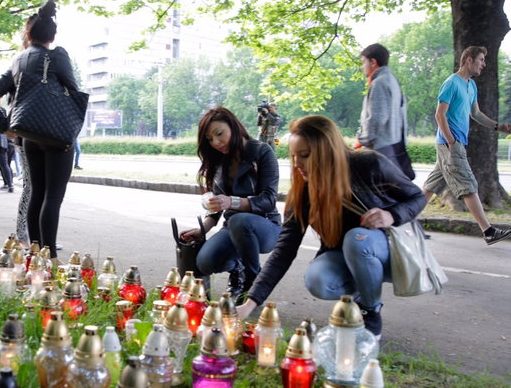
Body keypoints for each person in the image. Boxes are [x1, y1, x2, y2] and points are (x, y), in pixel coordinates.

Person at [237, 115, 426, 339]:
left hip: (388, 253)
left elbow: (417, 197)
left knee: (356, 238)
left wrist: (391, 215)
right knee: (318, 279)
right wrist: (249, 304)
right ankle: (359, 299)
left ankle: (370, 314)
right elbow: (283, 250)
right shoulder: (304, 191)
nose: (297, 164)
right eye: (294, 156)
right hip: (346, 255)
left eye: (305, 155)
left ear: (326, 150)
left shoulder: (368, 164)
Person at [0, 0, 78, 263]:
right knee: (53, 196)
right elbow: (74, 89)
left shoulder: (19, 59)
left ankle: (35, 255)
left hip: (28, 136)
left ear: (29, 34)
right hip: (56, 135)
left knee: (36, 191)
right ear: (53, 35)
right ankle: (50, 257)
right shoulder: (58, 55)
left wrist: (5, 127)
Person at [179, 106, 282, 300]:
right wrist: (203, 229)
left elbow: (268, 200)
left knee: (240, 220)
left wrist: (231, 202)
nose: (216, 143)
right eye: (210, 139)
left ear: (233, 126)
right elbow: (217, 207)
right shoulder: (219, 162)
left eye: (219, 134)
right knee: (205, 262)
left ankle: (252, 281)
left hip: (266, 227)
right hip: (234, 228)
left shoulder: (261, 151)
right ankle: (238, 269)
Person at [422, 45, 511, 245]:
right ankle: (488, 231)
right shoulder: (451, 83)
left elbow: (476, 114)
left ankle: (405, 222)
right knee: (468, 185)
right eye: (481, 59)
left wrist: (498, 127)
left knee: (431, 186)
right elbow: (439, 115)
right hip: (450, 143)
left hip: (453, 143)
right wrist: (451, 141)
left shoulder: (471, 86)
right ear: (468, 60)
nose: (484, 64)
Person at [357, 43, 415, 180]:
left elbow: (377, 118)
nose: (362, 67)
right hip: (394, 146)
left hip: (380, 148)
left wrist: (363, 140)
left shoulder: (379, 83)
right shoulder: (392, 81)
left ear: (373, 62)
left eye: (363, 62)